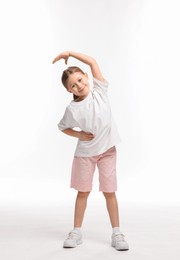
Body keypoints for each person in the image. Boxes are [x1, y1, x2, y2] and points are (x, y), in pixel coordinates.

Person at [52, 51, 129, 251]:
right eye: (73, 85)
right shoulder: (72, 109)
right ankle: (76, 231)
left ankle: (117, 232)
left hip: (108, 152)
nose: (78, 85)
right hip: (85, 155)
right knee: (83, 191)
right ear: (69, 90)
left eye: (79, 79)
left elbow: (93, 61)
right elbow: (62, 127)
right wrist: (79, 135)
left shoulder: (100, 92)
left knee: (110, 191)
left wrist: (70, 53)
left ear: (86, 76)